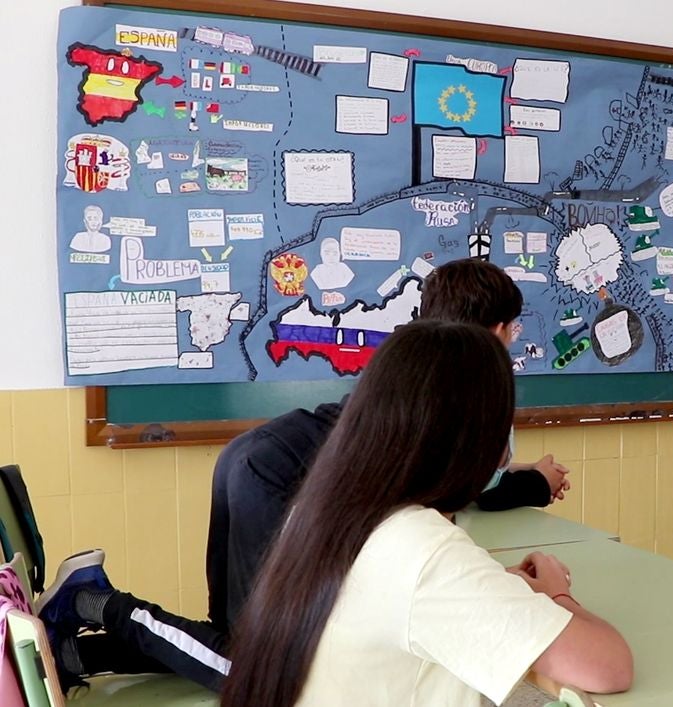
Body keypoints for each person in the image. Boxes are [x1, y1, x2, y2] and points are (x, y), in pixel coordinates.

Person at [37, 258, 571, 692]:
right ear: (499, 328)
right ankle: (100, 603)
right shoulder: (463, 381)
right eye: (513, 329)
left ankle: (79, 650)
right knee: (262, 666)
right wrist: (536, 483)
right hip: (272, 475)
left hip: (255, 459)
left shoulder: (418, 360)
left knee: (244, 637)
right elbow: (477, 487)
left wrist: (523, 475)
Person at [222, 319, 633, 705]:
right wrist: (554, 594)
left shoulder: (323, 510)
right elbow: (608, 667)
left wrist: (491, 584)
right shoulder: (418, 547)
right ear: (473, 439)